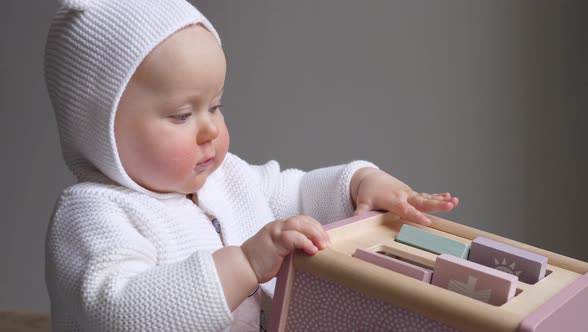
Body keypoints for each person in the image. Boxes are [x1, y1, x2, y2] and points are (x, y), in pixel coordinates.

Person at [44, 0, 459, 331]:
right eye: (182, 115)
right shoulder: (93, 214)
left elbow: (295, 194)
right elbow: (118, 312)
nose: (209, 130)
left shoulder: (228, 179)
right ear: (100, 128)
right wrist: (243, 265)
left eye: (215, 106)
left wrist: (358, 183)